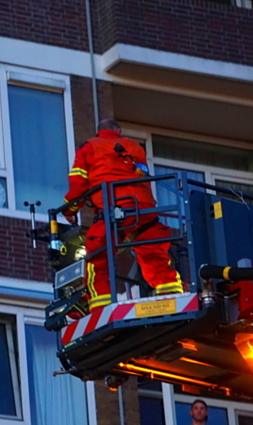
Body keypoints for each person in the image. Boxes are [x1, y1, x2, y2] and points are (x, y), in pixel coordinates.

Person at [62, 119, 183, 313]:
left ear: (99, 131)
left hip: (113, 212)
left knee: (96, 256)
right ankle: (173, 298)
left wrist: (70, 210)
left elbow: (79, 185)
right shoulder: (134, 146)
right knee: (155, 258)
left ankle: (99, 307)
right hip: (145, 212)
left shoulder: (89, 147)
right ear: (118, 130)